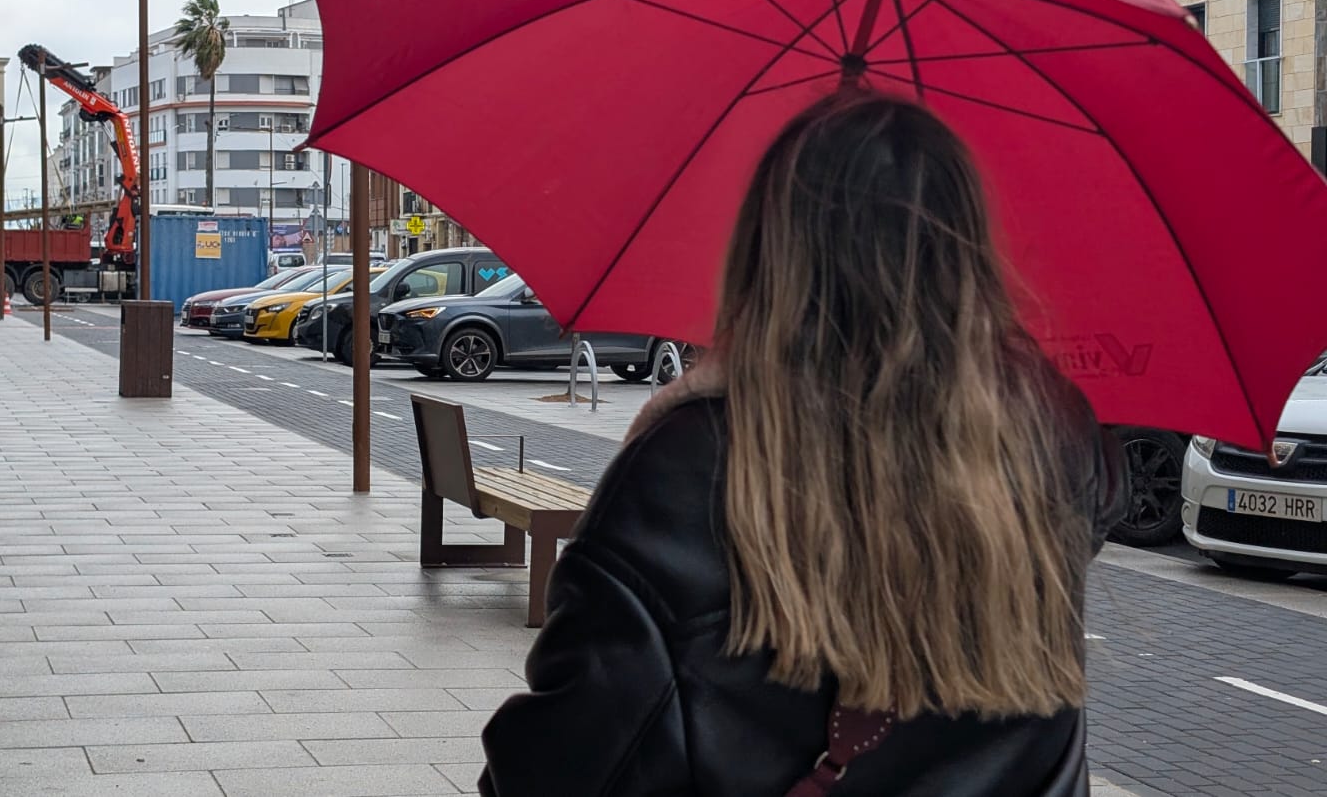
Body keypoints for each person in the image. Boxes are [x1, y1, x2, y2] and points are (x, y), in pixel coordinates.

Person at [477, 93, 1126, 797]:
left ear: (769, 246)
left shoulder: (692, 469)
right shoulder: (1052, 439)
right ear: (967, 249)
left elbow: (558, 765)